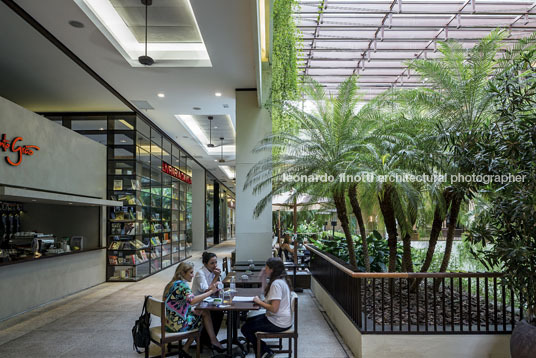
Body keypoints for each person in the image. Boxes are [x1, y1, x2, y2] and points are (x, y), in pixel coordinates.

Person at [162, 262, 225, 357]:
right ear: (183, 273)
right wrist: (211, 291)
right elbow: (192, 300)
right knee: (203, 316)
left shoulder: (171, 284)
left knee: (202, 312)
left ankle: (190, 347)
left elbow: (173, 304)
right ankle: (212, 340)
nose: (193, 275)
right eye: (191, 273)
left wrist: (189, 310)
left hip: (168, 322)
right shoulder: (183, 285)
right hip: (177, 325)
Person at [240, 257, 292, 358]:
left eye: (266, 267)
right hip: (278, 318)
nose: (265, 269)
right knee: (248, 321)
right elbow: (266, 295)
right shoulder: (279, 280)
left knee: (245, 328)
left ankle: (263, 350)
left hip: (278, 322)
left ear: (272, 270)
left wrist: (259, 302)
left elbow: (274, 308)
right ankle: (263, 350)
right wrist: (262, 277)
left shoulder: (276, 284)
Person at [191, 252, 225, 348]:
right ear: (205, 264)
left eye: (216, 262)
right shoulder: (200, 274)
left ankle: (207, 339)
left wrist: (217, 278)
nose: (215, 265)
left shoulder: (212, 272)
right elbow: (206, 290)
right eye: (212, 263)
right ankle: (206, 340)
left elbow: (217, 287)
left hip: (207, 301)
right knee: (215, 313)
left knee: (219, 312)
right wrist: (216, 277)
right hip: (197, 303)